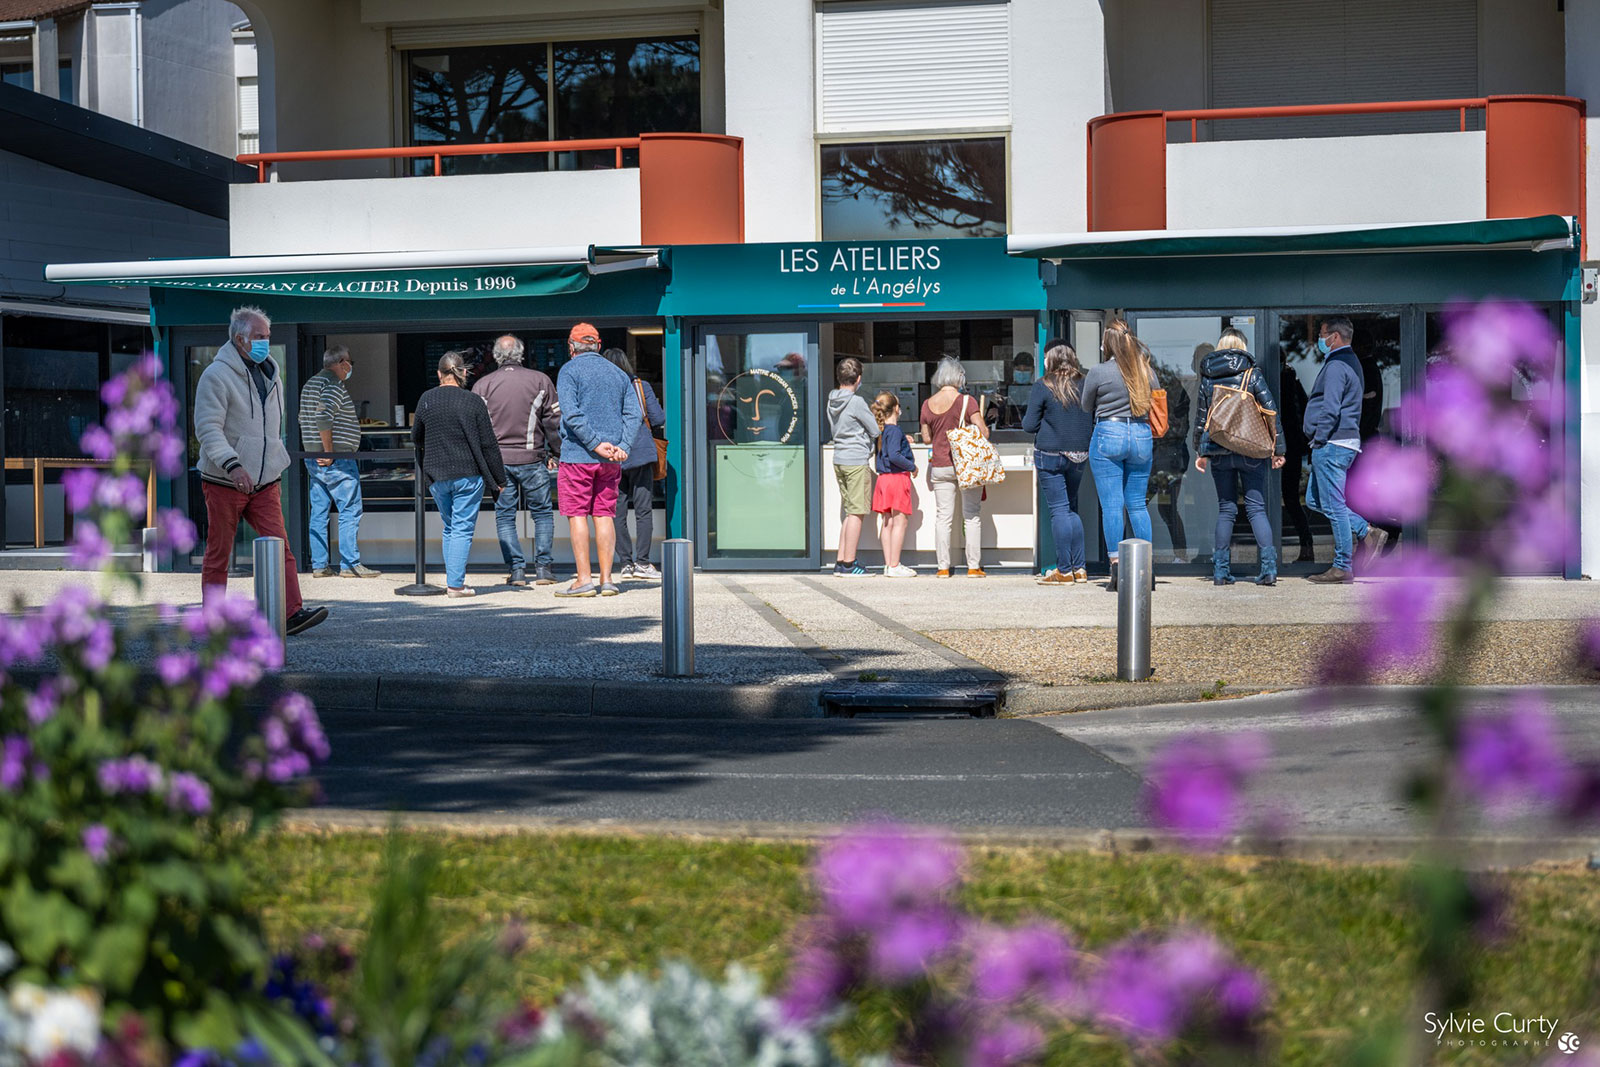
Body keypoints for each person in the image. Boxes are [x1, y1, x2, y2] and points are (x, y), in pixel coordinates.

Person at [194, 306, 327, 635]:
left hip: (265, 481)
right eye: (259, 336)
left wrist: (273, 462)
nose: (266, 342)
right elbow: (208, 428)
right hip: (225, 479)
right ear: (239, 339)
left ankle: (291, 613)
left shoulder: (271, 373)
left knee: (280, 548)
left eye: (268, 336)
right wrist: (233, 464)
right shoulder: (216, 375)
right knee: (219, 552)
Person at [1192, 327, 1286, 586]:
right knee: (1256, 509)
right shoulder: (1251, 373)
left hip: (1219, 450)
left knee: (1226, 509)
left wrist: (1200, 451)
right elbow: (1271, 412)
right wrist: (1278, 450)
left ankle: (1220, 571)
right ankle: (1269, 569)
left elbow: (1201, 418)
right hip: (1250, 449)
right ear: (1242, 346)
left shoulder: (1208, 376)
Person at [554, 323, 642, 598]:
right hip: (611, 459)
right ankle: (607, 580)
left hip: (577, 456)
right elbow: (634, 414)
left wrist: (594, 443)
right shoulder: (618, 373)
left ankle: (583, 580)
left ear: (571, 347)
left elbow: (571, 414)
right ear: (598, 345)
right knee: (604, 515)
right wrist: (623, 446)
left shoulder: (569, 370)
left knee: (577, 514)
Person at [412, 351, 505, 598]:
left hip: (437, 475)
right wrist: (499, 479)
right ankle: (455, 585)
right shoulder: (473, 401)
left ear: (439, 374)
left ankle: (453, 580)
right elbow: (488, 444)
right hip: (468, 474)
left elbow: (415, 437)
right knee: (461, 529)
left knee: (451, 527)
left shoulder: (426, 399)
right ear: (463, 373)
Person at [472, 333, 561, 587]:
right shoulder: (540, 380)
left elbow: (477, 428)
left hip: (498, 461)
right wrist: (557, 453)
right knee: (542, 514)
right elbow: (553, 423)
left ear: (496, 355)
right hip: (533, 458)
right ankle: (543, 569)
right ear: (521, 354)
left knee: (504, 516)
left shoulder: (483, 385)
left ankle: (517, 571)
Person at [1304, 316, 1387, 584]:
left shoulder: (1337, 365)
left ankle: (1342, 566)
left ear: (1335, 337)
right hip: (1339, 442)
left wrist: (1319, 439)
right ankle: (1366, 531)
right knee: (1315, 500)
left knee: (1335, 505)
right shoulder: (1349, 362)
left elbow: (1331, 408)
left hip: (1332, 443)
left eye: (1322, 334)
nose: (1319, 339)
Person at [1080, 319, 1156, 592]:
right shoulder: (1145, 370)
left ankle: (1116, 567)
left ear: (1107, 343)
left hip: (1109, 432)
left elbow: (1086, 405)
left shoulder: (1099, 372)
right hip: (1141, 434)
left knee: (1112, 505)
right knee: (1137, 504)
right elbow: (1156, 399)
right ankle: (1146, 568)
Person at [298, 344, 378, 579]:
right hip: (337, 459)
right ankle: (350, 564)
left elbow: (305, 418)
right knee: (350, 509)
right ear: (342, 363)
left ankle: (319, 565)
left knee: (319, 511)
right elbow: (323, 416)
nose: (350, 367)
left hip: (313, 459)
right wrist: (329, 451)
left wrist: (317, 450)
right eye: (350, 363)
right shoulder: (332, 384)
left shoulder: (310, 385)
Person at [1023, 339, 1092, 584]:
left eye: (1045, 356)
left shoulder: (1043, 385)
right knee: (1071, 508)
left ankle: (1063, 570)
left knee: (1059, 510)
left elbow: (1029, 425)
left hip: (1050, 454)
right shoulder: (1085, 382)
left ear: (1050, 358)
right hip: (1080, 455)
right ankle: (1080, 568)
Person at [919, 356, 988, 578]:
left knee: (943, 517)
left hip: (940, 465)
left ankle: (942, 567)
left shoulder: (927, 404)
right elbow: (984, 432)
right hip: (965, 466)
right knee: (972, 515)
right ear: (959, 377)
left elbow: (926, 439)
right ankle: (973, 567)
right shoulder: (967, 401)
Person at [602, 347, 666, 580]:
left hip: (611, 454)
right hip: (640, 452)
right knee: (643, 510)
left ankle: (625, 564)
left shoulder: (602, 389)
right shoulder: (640, 386)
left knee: (617, 511)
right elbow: (658, 418)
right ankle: (643, 562)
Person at [826, 358, 880, 577]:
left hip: (839, 458)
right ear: (858, 378)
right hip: (856, 460)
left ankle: (841, 561)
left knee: (849, 511)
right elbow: (875, 430)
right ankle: (849, 563)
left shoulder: (831, 399)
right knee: (857, 512)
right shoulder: (856, 402)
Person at [869, 391, 917, 577]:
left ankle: (889, 564)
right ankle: (895, 564)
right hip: (897, 479)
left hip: (884, 480)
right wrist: (912, 466)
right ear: (896, 409)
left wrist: (905, 440)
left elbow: (889, 450)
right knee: (900, 522)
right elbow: (895, 455)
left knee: (887, 522)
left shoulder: (883, 431)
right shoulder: (895, 431)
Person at [1278, 370, 1315, 562]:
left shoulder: (1283, 382)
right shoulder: (1294, 382)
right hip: (1291, 447)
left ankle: (1305, 547)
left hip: (1285, 447)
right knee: (1291, 499)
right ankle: (1306, 546)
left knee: (1288, 499)